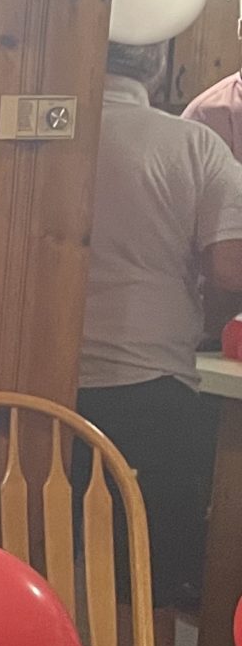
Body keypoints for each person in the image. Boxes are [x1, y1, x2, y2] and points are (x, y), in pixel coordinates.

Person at [80, 41, 242, 607]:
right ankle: (147, 640)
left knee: (52, 548)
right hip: (153, 383)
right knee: (150, 572)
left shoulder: (51, 134)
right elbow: (229, 269)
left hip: (40, 384)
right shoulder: (194, 144)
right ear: (158, 64)